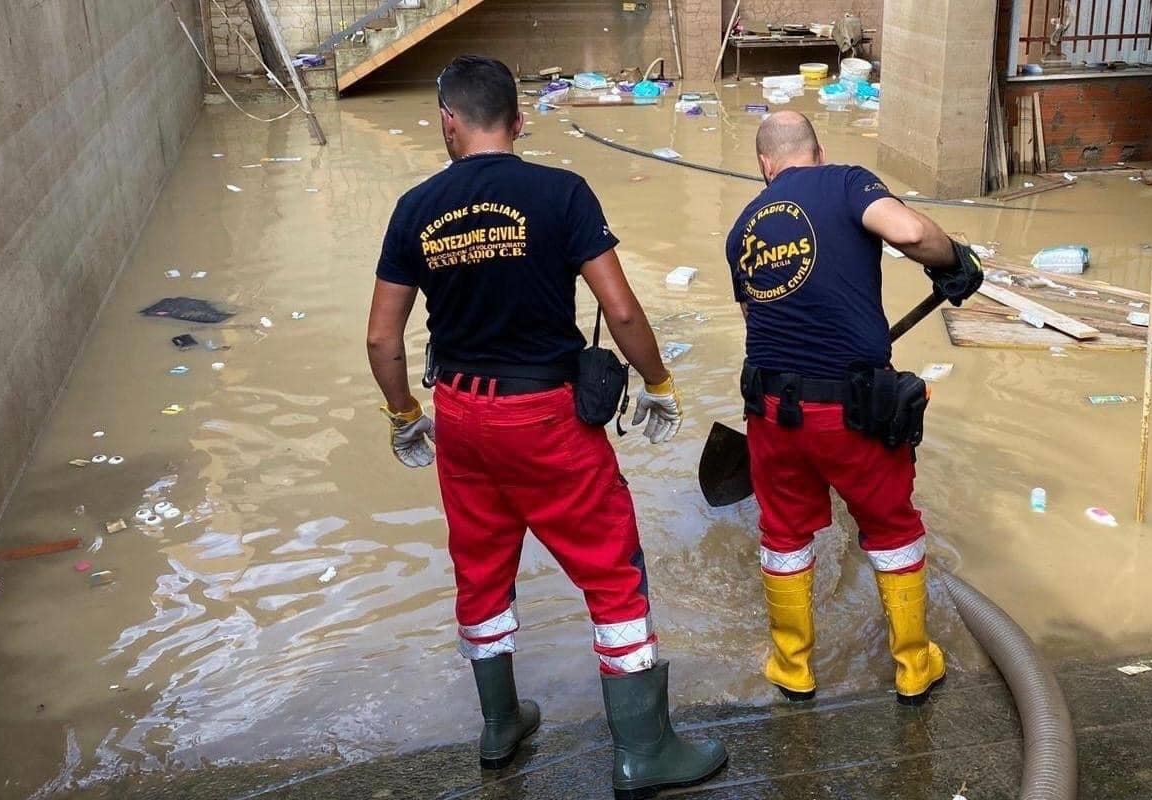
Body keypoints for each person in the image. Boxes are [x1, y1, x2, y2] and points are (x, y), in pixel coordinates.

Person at [366, 54, 725, 798]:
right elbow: (620, 309)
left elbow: (380, 338)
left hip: (462, 414)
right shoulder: (560, 193)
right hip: (547, 418)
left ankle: (500, 726)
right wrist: (656, 382)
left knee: (481, 565)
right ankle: (643, 752)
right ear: (519, 120)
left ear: (448, 121)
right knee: (612, 572)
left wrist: (405, 416)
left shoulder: (414, 207)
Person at [723, 111, 982, 706]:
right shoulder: (845, 181)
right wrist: (953, 261)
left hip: (769, 410)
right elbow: (911, 234)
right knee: (891, 528)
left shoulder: (742, 228)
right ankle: (914, 667)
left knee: (784, 535)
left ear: (765, 166)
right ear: (818, 151)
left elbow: (756, 323)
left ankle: (792, 668)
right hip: (851, 411)